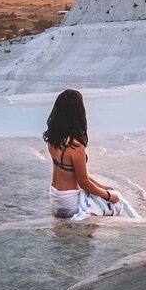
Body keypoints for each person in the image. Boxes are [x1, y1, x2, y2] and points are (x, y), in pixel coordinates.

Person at [43, 89, 138, 220]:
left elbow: (77, 176)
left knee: (109, 192)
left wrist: (102, 187)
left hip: (56, 199)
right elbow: (83, 183)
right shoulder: (75, 146)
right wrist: (109, 196)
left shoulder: (52, 139)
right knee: (119, 200)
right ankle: (140, 227)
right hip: (70, 203)